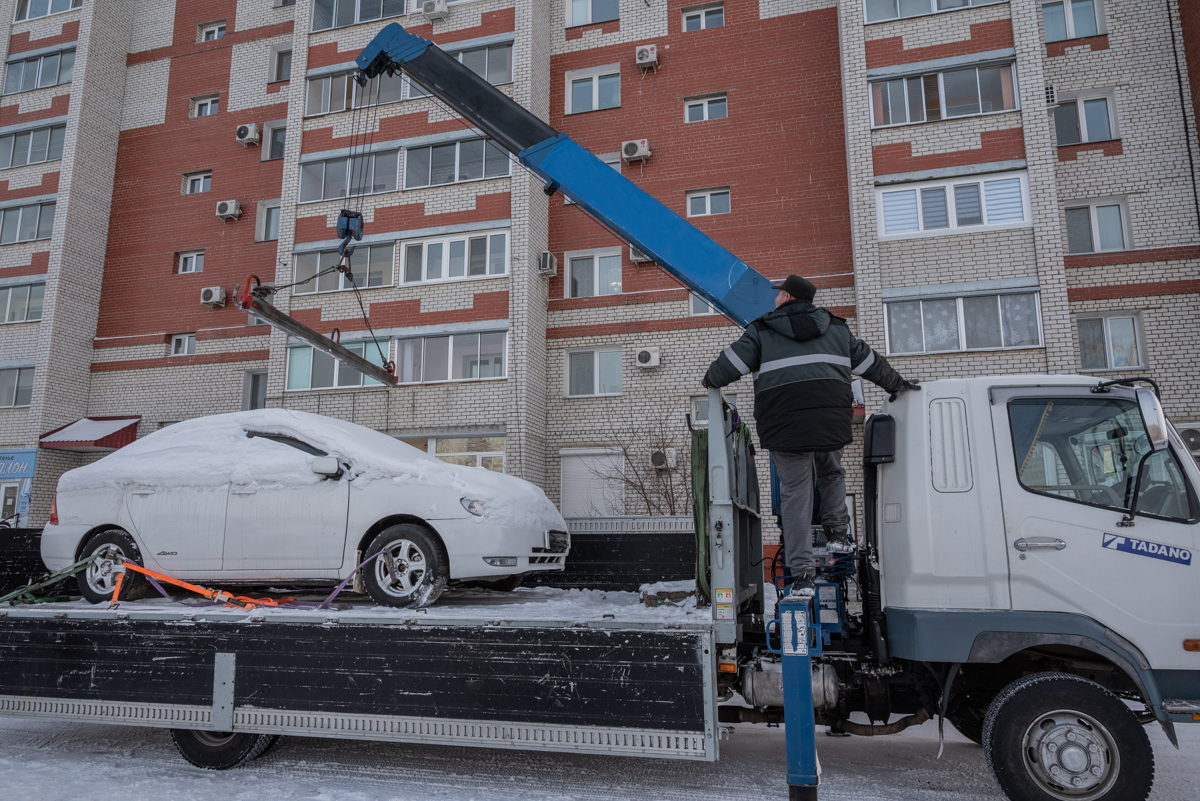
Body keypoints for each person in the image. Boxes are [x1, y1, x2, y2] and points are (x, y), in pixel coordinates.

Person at [702, 275, 919, 599]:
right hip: (829, 421)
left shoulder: (762, 330)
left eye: (778, 295)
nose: (774, 299)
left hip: (785, 426)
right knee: (832, 473)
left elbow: (724, 369)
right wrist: (898, 384)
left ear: (787, 298)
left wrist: (710, 379)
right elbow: (871, 364)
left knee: (795, 495)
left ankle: (802, 574)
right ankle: (836, 534)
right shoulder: (836, 329)